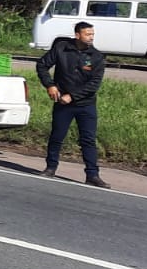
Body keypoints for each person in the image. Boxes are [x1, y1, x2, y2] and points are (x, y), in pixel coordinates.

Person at [35, 21, 109, 188]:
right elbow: (42, 65)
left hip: (86, 105)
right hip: (62, 103)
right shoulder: (62, 48)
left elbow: (94, 84)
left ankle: (92, 175)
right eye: (87, 34)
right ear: (77, 35)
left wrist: (72, 96)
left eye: (92, 34)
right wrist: (50, 85)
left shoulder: (96, 56)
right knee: (57, 136)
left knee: (88, 140)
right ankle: (50, 167)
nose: (91, 37)